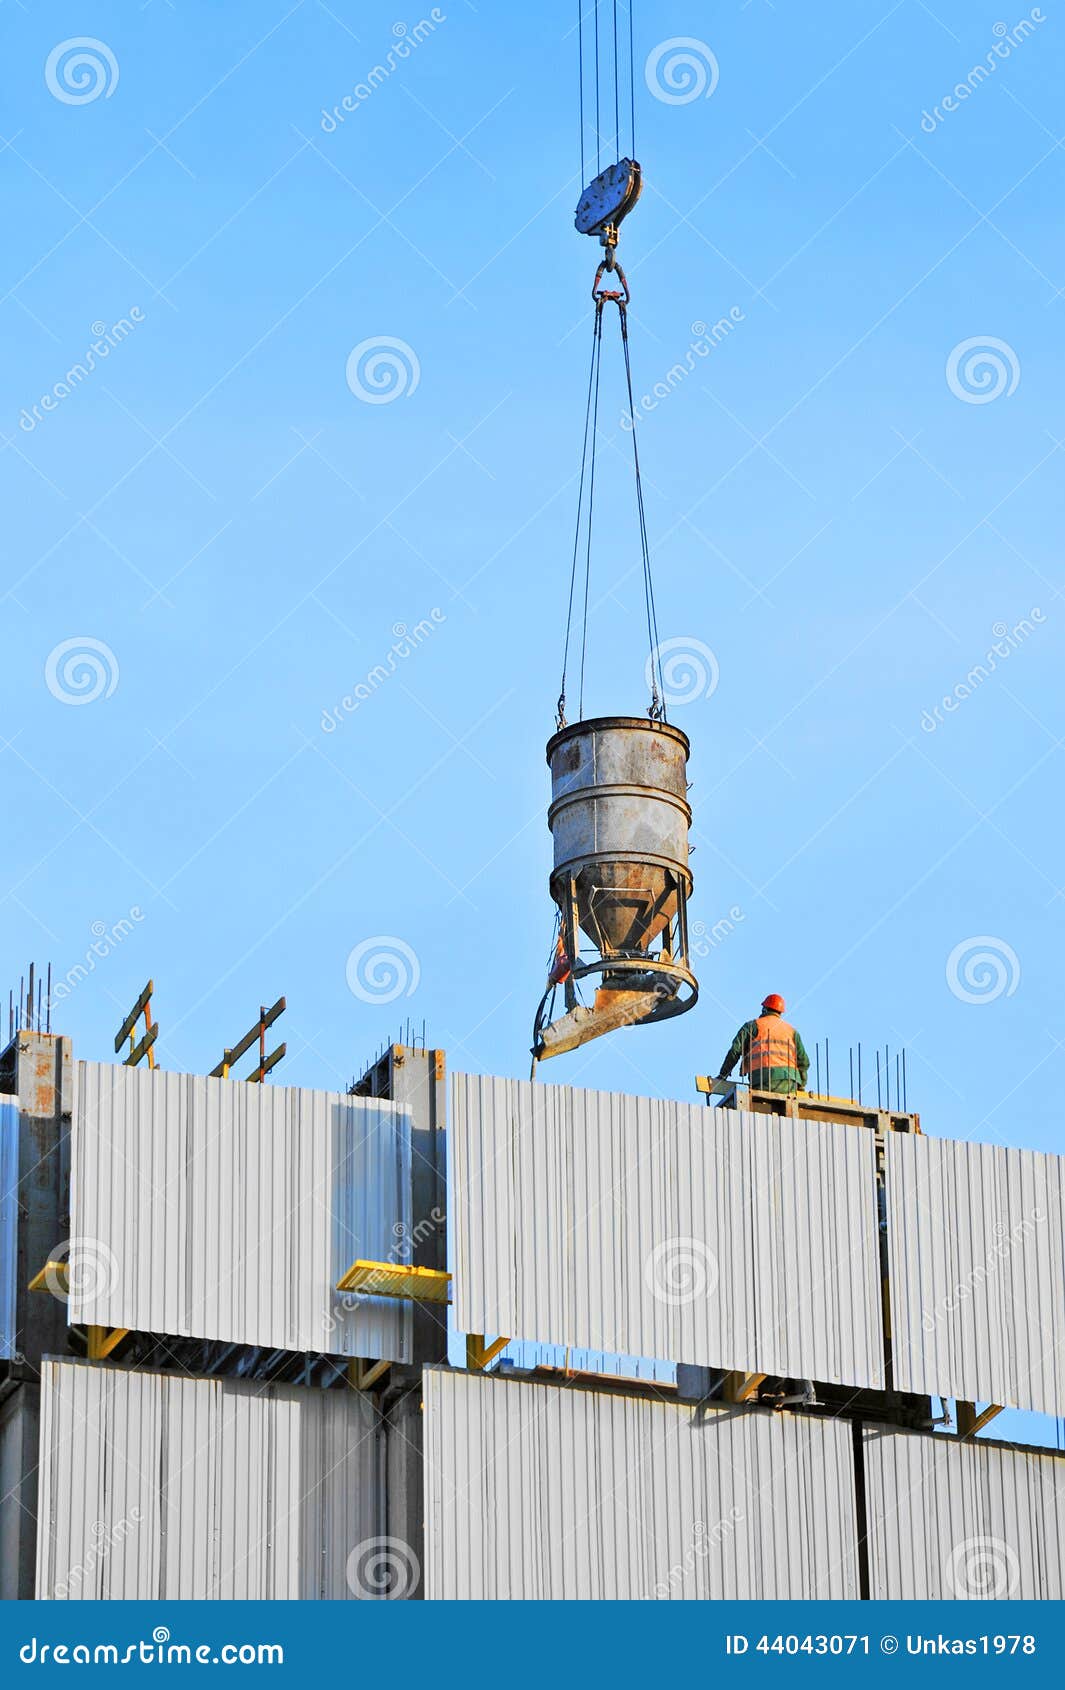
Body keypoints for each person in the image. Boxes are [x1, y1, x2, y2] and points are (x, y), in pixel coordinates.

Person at [717, 993, 809, 1095]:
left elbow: (735, 1051)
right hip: (789, 1084)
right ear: (780, 1012)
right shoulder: (792, 1031)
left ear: (764, 1009)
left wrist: (723, 1075)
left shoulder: (753, 1026)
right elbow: (804, 1062)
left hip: (762, 1080)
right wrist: (801, 1085)